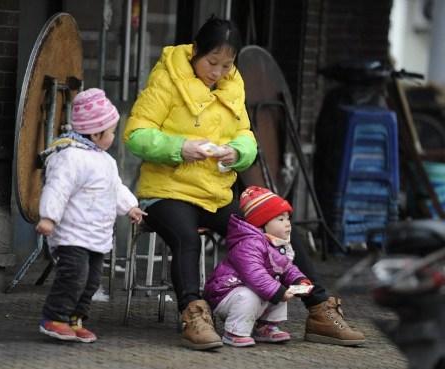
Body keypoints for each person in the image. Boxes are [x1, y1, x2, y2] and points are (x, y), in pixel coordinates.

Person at [123, 16, 364, 349]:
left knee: (275, 228)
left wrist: (235, 152)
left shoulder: (233, 84)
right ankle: (194, 314)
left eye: (227, 64)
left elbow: (246, 137)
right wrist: (180, 147)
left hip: (215, 193)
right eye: (212, 62)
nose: (218, 72)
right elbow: (135, 135)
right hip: (167, 191)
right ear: (195, 51)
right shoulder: (167, 79)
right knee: (185, 238)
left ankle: (319, 308)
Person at [36, 88, 146, 343]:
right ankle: (55, 317)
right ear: (96, 133)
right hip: (73, 234)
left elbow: (114, 187)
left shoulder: (105, 160)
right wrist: (48, 217)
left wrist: (130, 205)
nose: (113, 136)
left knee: (91, 281)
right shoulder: (70, 157)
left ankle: (76, 318)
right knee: (73, 276)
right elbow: (57, 187)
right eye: (110, 132)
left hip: (97, 236)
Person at [204, 186, 364, 347]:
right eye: (280, 220)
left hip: (252, 289)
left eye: (288, 218)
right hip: (227, 293)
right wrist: (278, 292)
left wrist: (300, 280)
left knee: (280, 287)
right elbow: (255, 274)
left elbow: (286, 268)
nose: (287, 224)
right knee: (259, 293)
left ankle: (266, 326)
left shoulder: (276, 243)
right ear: (262, 224)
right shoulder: (248, 244)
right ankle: (234, 332)